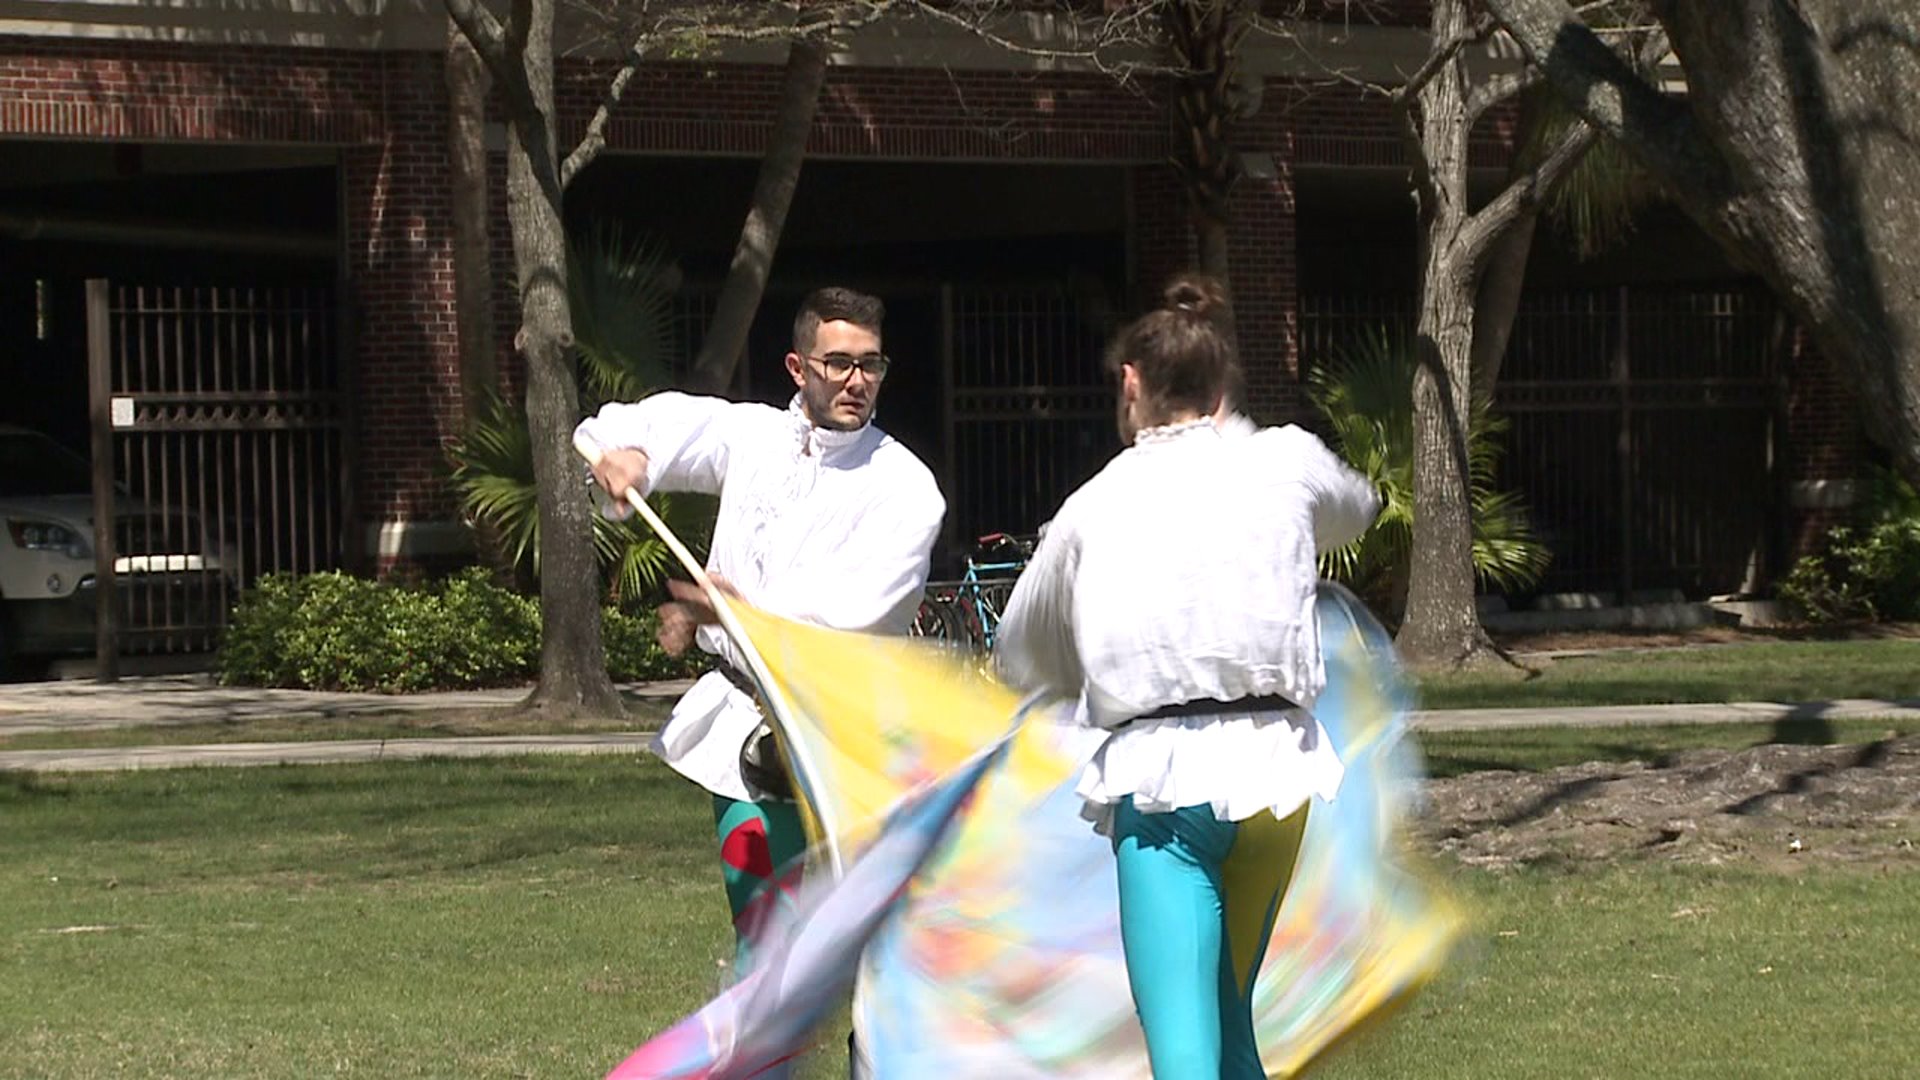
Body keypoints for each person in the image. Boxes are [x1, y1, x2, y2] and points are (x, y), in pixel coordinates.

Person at [993, 274, 1380, 1080]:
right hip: (1276, 774)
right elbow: (1358, 508)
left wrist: (1082, 676)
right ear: (1221, 388)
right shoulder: (1284, 461)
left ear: (1130, 384)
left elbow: (1019, 653)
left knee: (1184, 1053)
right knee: (1230, 1026)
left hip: (1165, 778)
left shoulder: (1095, 502)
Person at [576, 286, 946, 985]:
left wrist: (741, 614)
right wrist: (628, 458)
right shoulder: (753, 437)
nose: (856, 381)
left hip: (848, 737)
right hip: (746, 736)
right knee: (763, 945)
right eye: (837, 363)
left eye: (870, 364)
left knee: (876, 959)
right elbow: (637, 428)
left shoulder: (906, 487)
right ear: (797, 366)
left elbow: (861, 615)